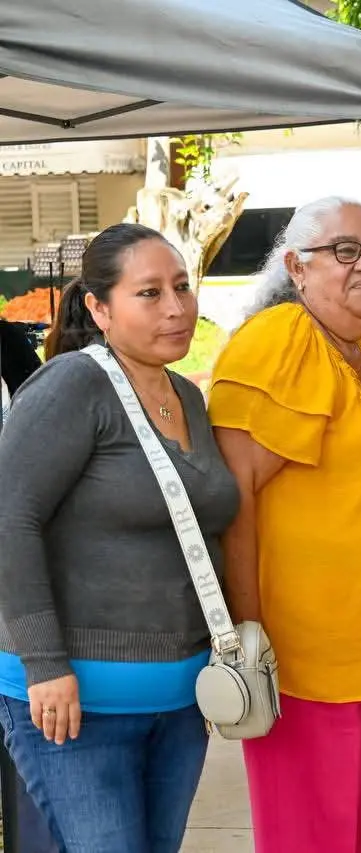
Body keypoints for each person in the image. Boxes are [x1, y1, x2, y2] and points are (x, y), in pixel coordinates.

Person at [208, 197, 361, 853]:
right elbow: (238, 496)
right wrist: (247, 631)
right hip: (308, 660)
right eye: (345, 250)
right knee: (309, 839)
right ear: (296, 265)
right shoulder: (281, 339)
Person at [0, 224, 240, 853]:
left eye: (183, 288)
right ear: (99, 308)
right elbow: (9, 519)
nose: (176, 307)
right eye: (150, 293)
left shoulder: (187, 396)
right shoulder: (73, 386)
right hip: (75, 708)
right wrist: (46, 665)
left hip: (179, 703)